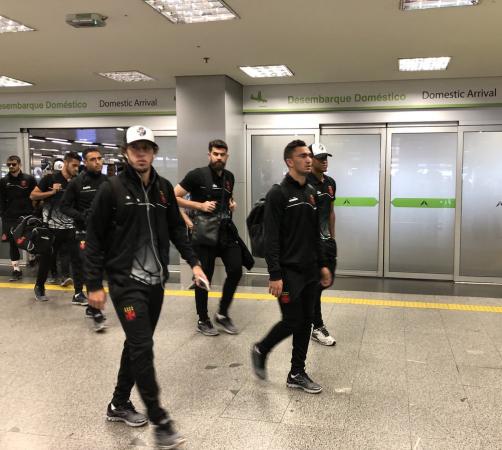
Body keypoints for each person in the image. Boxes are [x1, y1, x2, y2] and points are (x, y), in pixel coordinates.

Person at [85, 125, 207, 449]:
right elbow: (94, 238)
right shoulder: (111, 189)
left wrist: (194, 263)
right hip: (125, 284)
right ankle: (160, 419)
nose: (141, 154)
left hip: (155, 283)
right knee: (142, 346)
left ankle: (118, 403)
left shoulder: (164, 189)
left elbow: (177, 230)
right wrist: (94, 284)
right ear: (126, 152)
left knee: (137, 342)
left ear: (153, 152)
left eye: (146, 148)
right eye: (135, 148)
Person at [251, 139, 332, 394]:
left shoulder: (311, 192)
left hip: (309, 270)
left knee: (306, 321)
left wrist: (323, 265)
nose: (308, 159)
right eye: (302, 156)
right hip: (288, 272)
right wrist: (274, 274)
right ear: (289, 161)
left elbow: (315, 233)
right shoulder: (278, 193)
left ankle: (297, 372)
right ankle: (261, 349)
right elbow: (271, 238)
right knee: (291, 320)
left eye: (309, 155)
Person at [174, 139, 243, 336]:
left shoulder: (229, 177)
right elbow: (173, 196)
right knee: (204, 277)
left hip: (225, 232)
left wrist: (231, 203)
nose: (219, 157)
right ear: (209, 155)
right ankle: (202, 319)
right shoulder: (197, 175)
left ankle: (222, 313)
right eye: (215, 154)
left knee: (236, 269)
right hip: (204, 234)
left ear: (227, 156)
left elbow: (227, 197)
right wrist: (200, 206)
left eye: (222, 154)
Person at [60, 148, 108, 331]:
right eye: (93, 159)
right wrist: (82, 216)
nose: (97, 162)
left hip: (105, 232)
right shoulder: (77, 183)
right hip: (84, 232)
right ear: (85, 163)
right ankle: (96, 311)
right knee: (90, 268)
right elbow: (64, 206)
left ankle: (91, 305)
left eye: (99, 158)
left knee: (102, 269)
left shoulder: (108, 182)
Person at [30, 152, 86, 303]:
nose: (76, 168)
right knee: (47, 259)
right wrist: (52, 192)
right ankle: (39, 287)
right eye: (74, 165)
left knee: (77, 260)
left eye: (78, 166)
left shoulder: (78, 182)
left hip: (71, 227)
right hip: (51, 228)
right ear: (66, 163)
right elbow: (33, 196)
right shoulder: (50, 179)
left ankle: (78, 293)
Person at [307, 143, 337, 346]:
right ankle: (316, 326)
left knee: (327, 280)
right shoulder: (305, 184)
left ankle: (309, 315)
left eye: (326, 157)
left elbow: (331, 212)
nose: (325, 161)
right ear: (311, 160)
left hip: (327, 242)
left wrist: (332, 238)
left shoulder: (331, 183)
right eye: (320, 158)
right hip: (311, 244)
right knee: (316, 285)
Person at [0, 155, 36, 281]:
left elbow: (35, 195)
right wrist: (2, 213)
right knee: (13, 243)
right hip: (10, 217)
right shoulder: (3, 181)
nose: (11, 166)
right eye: (9, 164)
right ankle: (16, 269)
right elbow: (1, 199)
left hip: (26, 215)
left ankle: (32, 256)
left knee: (29, 239)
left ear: (19, 164)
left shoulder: (29, 179)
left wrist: (35, 212)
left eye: (13, 164)